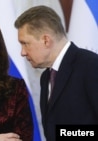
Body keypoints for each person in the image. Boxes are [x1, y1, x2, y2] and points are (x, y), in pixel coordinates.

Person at [14, 5, 98, 141]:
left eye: (25, 43)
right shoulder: (46, 76)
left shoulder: (90, 65)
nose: (22, 52)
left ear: (46, 40)